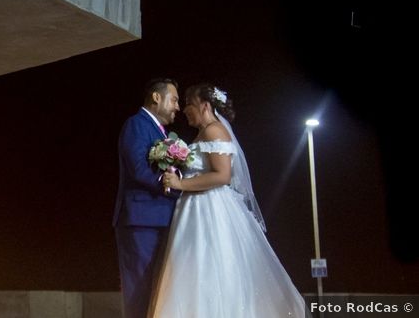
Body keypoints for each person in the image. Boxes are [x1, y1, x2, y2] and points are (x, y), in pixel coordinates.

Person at [150, 84, 305, 317]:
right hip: (193, 208)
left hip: (209, 209)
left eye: (189, 104)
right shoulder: (204, 133)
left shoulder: (215, 131)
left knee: (210, 264)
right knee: (193, 267)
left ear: (204, 106)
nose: (185, 109)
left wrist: (180, 184)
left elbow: (222, 176)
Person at [113, 78, 181, 318]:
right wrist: (173, 185)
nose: (177, 107)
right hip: (141, 220)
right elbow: (138, 167)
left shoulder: (160, 131)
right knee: (139, 289)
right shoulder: (136, 124)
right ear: (156, 97)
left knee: (157, 289)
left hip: (161, 218)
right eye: (174, 99)